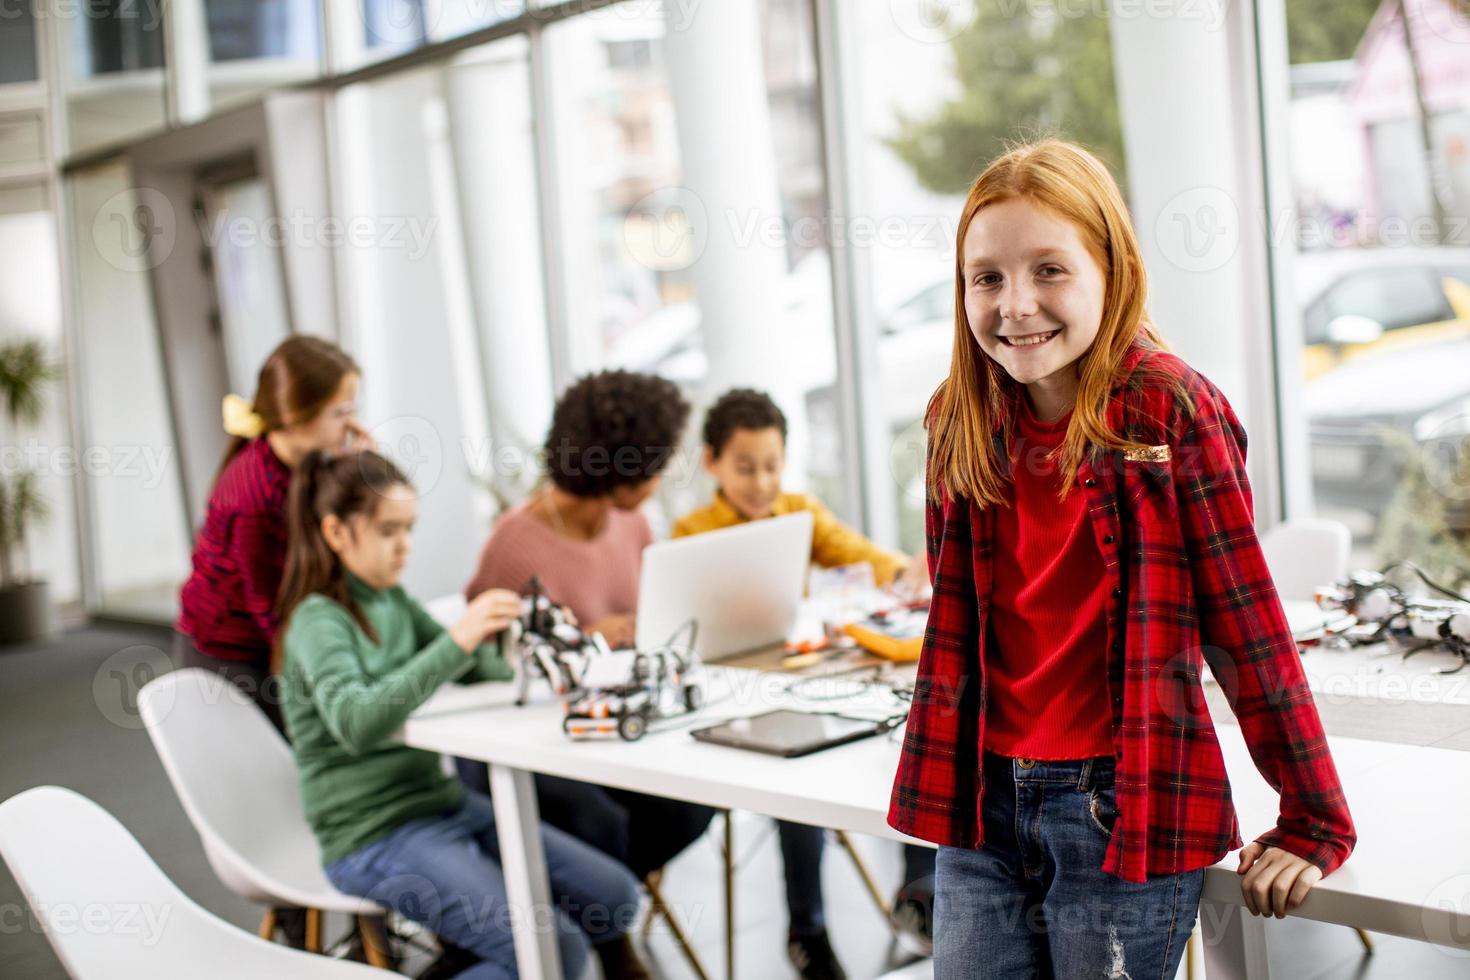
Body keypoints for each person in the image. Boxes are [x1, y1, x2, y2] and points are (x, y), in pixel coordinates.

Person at [887, 139, 1356, 979]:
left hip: (1124, 806)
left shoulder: (1169, 411)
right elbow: (958, 624)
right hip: (983, 799)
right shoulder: (955, 420)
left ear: (1113, 268)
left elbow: (1246, 626)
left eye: (1050, 270)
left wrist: (1312, 817)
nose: (1016, 303)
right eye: (986, 277)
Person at [278, 449, 651, 980]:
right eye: (389, 531)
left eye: (409, 528)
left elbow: (479, 671)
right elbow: (356, 721)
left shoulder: (392, 599)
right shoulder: (319, 620)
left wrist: (518, 634)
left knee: (614, 897)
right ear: (337, 533)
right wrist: (457, 639)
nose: (405, 546)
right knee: (556, 953)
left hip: (440, 804)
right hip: (373, 834)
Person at [673, 388, 938, 975]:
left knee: (903, 737)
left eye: (772, 465)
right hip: (732, 698)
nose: (761, 481)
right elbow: (677, 629)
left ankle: (918, 890)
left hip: (795, 679)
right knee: (793, 780)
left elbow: (860, 554)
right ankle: (806, 929)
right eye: (745, 467)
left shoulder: (798, 511)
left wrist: (903, 570)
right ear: (712, 461)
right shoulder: (691, 532)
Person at [463, 370, 716, 882]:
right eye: (655, 465)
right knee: (597, 823)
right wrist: (593, 637)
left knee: (697, 799)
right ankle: (606, 921)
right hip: (542, 743)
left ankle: (601, 896)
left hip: (614, 721)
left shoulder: (634, 524)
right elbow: (482, 661)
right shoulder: (513, 544)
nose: (660, 478)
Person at [175, 335, 368, 730]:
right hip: (232, 655)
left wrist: (357, 474)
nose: (352, 424)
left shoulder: (305, 462)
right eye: (340, 412)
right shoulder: (254, 497)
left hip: (272, 636)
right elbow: (271, 609)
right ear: (297, 416)